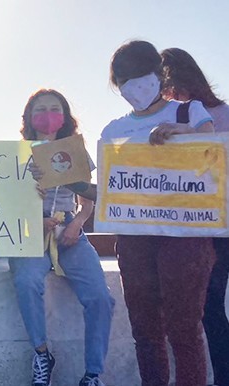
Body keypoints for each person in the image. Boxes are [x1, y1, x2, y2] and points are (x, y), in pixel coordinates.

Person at [102, 41, 215, 386]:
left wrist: (187, 136)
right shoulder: (112, 131)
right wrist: (58, 179)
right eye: (123, 78)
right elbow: (107, 191)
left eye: (139, 74)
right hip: (134, 240)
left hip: (186, 239)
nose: (132, 85)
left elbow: (214, 159)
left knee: (184, 329)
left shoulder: (191, 112)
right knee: (145, 331)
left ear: (159, 73)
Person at [10, 89, 114, 386]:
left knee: (100, 298)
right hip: (29, 229)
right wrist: (32, 215)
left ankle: (93, 373)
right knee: (26, 282)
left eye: (55, 109)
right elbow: (5, 200)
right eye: (40, 109)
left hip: (68, 229)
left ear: (65, 116)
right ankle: (42, 354)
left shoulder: (75, 151)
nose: (48, 115)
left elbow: (87, 201)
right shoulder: (15, 153)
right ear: (29, 117)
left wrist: (77, 224)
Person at [161, 47, 229, 386]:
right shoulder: (162, 121)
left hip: (223, 225)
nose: (166, 93)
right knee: (208, 308)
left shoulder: (223, 114)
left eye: (166, 83)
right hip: (194, 231)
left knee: (211, 307)